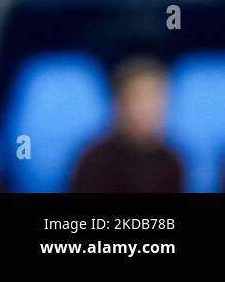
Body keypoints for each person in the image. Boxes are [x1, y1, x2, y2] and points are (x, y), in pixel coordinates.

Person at [70, 56, 185, 193]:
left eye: (155, 99)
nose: (147, 109)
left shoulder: (172, 162)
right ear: (118, 104)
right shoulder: (93, 162)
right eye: (138, 97)